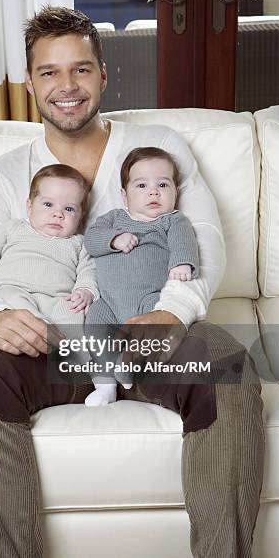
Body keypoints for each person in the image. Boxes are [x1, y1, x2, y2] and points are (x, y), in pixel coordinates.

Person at [0, 6, 264, 558]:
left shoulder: (159, 144)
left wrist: (171, 313)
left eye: (81, 69)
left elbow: (203, 235)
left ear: (104, 75)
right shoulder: (3, 177)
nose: (66, 87)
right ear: (29, 83)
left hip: (153, 331)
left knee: (229, 376)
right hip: (55, 342)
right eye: (49, 72)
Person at [84, 146, 199, 406]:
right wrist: (113, 240)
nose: (153, 191)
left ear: (176, 192)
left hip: (150, 300)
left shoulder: (172, 221)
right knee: (94, 327)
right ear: (124, 196)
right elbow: (90, 240)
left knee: (154, 333)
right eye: (141, 185)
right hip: (109, 302)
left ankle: (128, 364)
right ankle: (105, 385)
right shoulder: (113, 219)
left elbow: (185, 242)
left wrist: (182, 263)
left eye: (163, 184)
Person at [0, 164, 98, 336]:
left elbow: (89, 271)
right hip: (16, 289)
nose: (58, 214)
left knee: (73, 316)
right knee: (16, 306)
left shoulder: (79, 243)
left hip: (59, 299)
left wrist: (85, 291)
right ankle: (42, 332)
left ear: (81, 216)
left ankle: (77, 358)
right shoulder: (14, 228)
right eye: (48, 204)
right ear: (29, 206)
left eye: (69, 209)